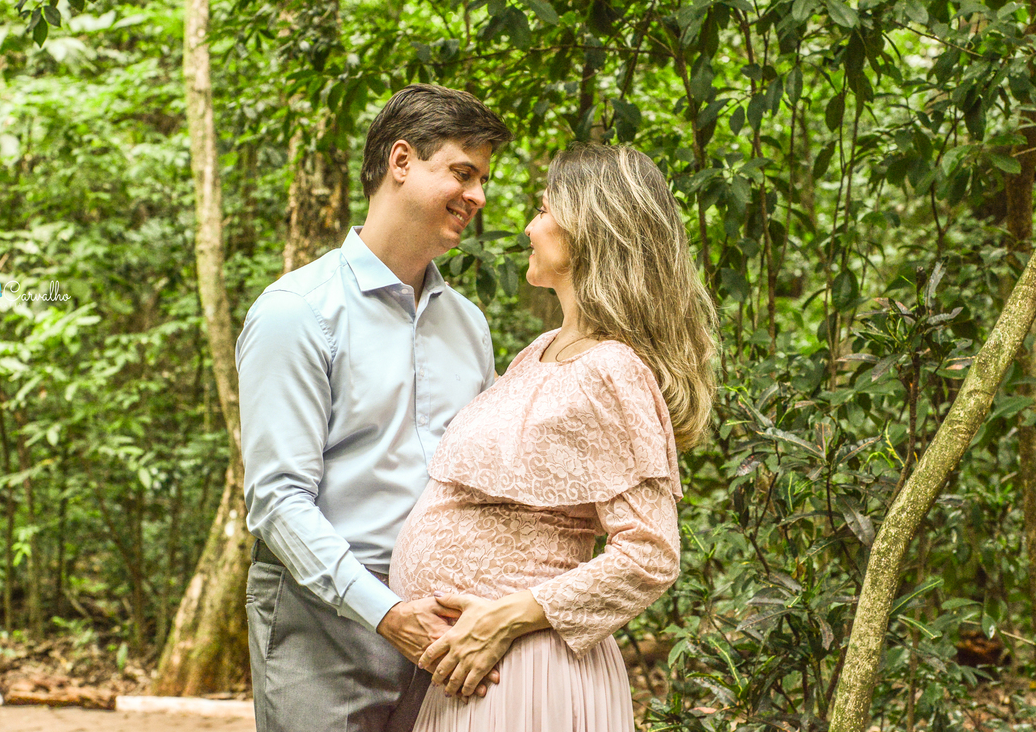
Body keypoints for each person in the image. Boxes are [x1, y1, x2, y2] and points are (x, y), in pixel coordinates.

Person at [389, 143, 718, 731]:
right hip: (476, 664)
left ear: (589, 231)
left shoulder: (613, 369)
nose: (529, 227)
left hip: (522, 662)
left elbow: (649, 554)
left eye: (543, 211)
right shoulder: (540, 352)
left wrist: (507, 618)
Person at [236, 84, 513, 732]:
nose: (478, 196)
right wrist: (388, 613)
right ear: (401, 162)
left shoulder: (468, 324)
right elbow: (276, 499)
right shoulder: (297, 312)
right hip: (322, 623)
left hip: (443, 627)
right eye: (463, 173)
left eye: (483, 180)